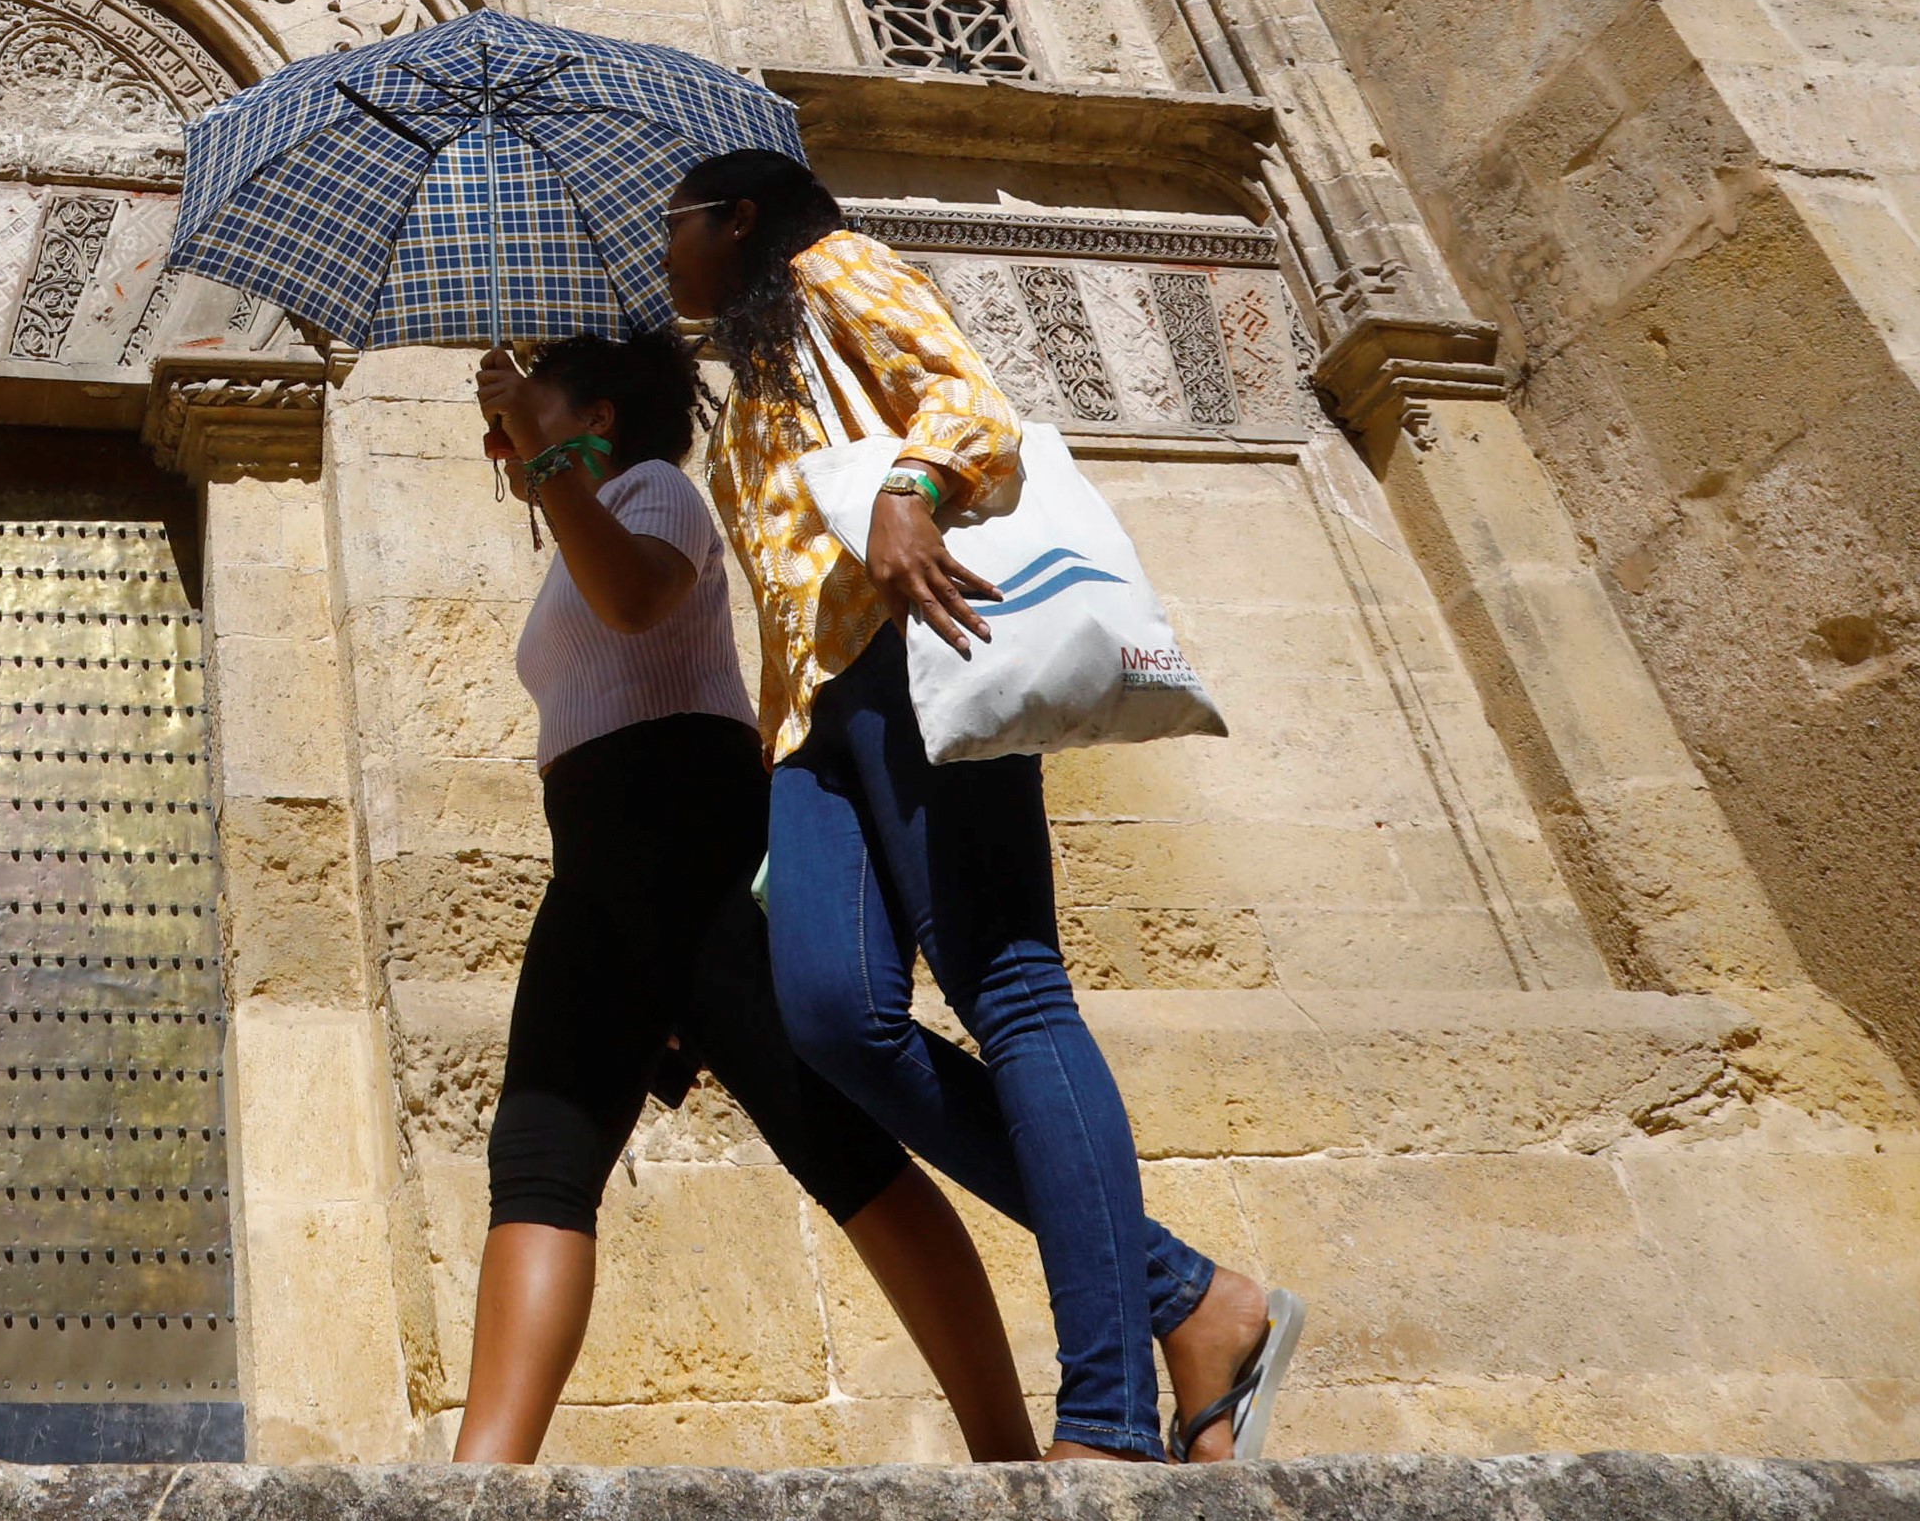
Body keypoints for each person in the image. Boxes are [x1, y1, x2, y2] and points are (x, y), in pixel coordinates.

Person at [657, 147, 1304, 1465]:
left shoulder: (832, 270)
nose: (658, 250)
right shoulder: (752, 363)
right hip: (814, 723)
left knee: (1009, 990)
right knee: (832, 1012)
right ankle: (1194, 1294)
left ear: (735, 220)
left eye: (669, 226)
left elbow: (970, 402)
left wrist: (907, 492)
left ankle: (1110, 1413)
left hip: (920, 656)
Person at [457, 326, 1037, 1465]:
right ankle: (479, 1482)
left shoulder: (657, 493)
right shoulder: (585, 506)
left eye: (547, 402)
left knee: (836, 1141)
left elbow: (631, 603)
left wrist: (546, 459)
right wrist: (531, 449)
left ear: (600, 420)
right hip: (598, 866)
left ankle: (1006, 1455)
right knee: (536, 1147)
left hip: (689, 839)